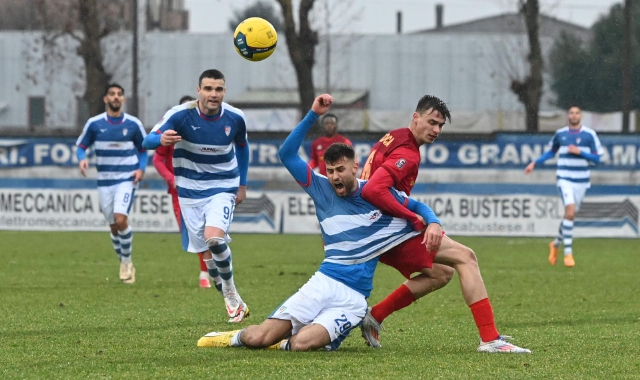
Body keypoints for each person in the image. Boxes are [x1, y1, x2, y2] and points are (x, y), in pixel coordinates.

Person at [196, 94, 442, 351]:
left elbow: (416, 205)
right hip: (323, 283)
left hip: (354, 299)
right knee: (259, 339)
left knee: (302, 345)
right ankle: (231, 337)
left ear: (355, 167)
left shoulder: (375, 193)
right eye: (330, 171)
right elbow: (287, 154)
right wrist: (313, 113)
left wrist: (433, 221)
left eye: (341, 170)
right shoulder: (320, 188)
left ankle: (312, 335)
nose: (335, 177)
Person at [359, 95, 530, 353]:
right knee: (466, 257)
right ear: (415, 117)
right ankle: (490, 339)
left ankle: (375, 316)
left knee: (442, 272)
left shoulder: (394, 136)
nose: (436, 130)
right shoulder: (408, 152)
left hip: (374, 227)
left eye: (440, 125)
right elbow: (373, 189)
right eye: (431, 122)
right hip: (386, 228)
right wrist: (413, 217)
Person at [142, 69, 250, 323]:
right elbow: (146, 140)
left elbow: (243, 148)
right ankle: (223, 289)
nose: (214, 94)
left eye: (219, 89)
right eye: (209, 89)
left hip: (223, 187)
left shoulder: (235, 117)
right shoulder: (180, 114)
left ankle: (233, 295)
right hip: (190, 192)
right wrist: (161, 139)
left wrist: (242, 185)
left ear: (224, 91)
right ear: (198, 90)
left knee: (214, 239)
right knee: (206, 255)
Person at [76, 83, 148, 284]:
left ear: (123, 100)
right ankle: (124, 262)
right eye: (112, 94)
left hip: (126, 178)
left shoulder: (133, 124)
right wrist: (82, 158)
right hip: (104, 181)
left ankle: (126, 262)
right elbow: (81, 146)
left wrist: (141, 169)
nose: (116, 97)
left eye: (119, 94)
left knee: (120, 219)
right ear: (106, 99)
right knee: (113, 226)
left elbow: (143, 149)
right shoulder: (95, 123)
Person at [525, 105, 602, 267]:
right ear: (568, 116)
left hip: (581, 180)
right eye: (571, 113)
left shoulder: (589, 135)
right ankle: (568, 254)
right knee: (571, 211)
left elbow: (597, 159)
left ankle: (556, 244)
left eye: (577, 113)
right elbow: (551, 152)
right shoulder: (561, 134)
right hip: (565, 178)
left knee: (569, 215)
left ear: (581, 116)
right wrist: (535, 163)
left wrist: (580, 152)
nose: (574, 115)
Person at [152, 95, 214, 289]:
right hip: (179, 194)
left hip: (204, 190)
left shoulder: (206, 132)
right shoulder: (171, 134)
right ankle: (207, 271)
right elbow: (157, 160)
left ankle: (207, 272)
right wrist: (172, 180)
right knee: (194, 232)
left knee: (209, 232)